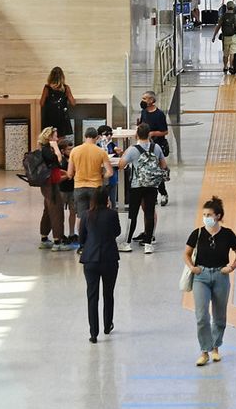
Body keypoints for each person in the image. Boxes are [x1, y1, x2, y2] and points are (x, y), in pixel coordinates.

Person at [185, 196, 236, 366]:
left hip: (221, 276)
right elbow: (186, 253)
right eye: (204, 214)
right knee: (201, 315)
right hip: (201, 276)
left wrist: (231, 268)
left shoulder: (228, 234)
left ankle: (216, 348)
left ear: (218, 215)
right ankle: (204, 350)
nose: (206, 218)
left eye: (209, 214)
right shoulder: (197, 233)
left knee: (219, 315)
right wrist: (192, 267)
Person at [78, 189, 120, 343]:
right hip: (109, 259)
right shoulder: (112, 214)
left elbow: (81, 238)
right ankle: (107, 325)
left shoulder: (86, 215)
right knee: (108, 294)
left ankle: (93, 333)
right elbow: (117, 232)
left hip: (90, 260)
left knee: (92, 296)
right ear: (106, 200)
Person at [121, 119, 167, 253]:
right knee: (149, 213)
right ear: (149, 135)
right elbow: (163, 165)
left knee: (133, 214)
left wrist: (124, 155)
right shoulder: (156, 148)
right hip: (152, 185)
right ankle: (148, 244)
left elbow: (121, 165)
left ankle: (127, 242)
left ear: (137, 135)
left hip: (137, 185)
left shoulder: (132, 150)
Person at [68, 126, 109, 228]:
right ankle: (93, 238)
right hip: (95, 187)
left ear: (85, 136)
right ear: (96, 138)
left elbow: (69, 173)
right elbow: (110, 172)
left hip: (79, 186)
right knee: (95, 214)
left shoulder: (74, 151)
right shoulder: (101, 152)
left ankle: (81, 240)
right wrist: (102, 175)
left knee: (80, 216)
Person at [35, 126, 67, 250]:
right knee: (57, 211)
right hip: (51, 185)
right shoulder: (48, 150)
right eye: (55, 136)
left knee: (48, 211)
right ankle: (57, 241)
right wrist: (56, 147)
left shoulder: (43, 149)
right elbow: (59, 161)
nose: (57, 138)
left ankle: (44, 237)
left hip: (47, 184)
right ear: (49, 137)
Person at [140, 90, 170, 206]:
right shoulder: (143, 112)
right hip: (145, 146)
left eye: (145, 99)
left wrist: (152, 134)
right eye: (142, 98)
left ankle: (163, 193)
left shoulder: (159, 114)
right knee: (147, 170)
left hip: (157, 146)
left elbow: (165, 131)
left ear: (151, 100)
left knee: (157, 171)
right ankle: (151, 195)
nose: (143, 101)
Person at [38, 66, 75, 143]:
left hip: (50, 117)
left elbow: (41, 103)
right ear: (62, 77)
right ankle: (58, 152)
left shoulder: (47, 88)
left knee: (49, 138)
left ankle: (52, 152)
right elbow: (73, 103)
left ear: (50, 77)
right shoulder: (66, 88)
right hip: (62, 117)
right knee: (60, 139)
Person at [215, 3, 236, 73]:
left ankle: (225, 67)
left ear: (227, 7)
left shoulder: (223, 16)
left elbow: (218, 26)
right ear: (233, 8)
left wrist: (214, 36)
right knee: (232, 53)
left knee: (225, 54)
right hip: (233, 37)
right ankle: (231, 66)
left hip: (225, 38)